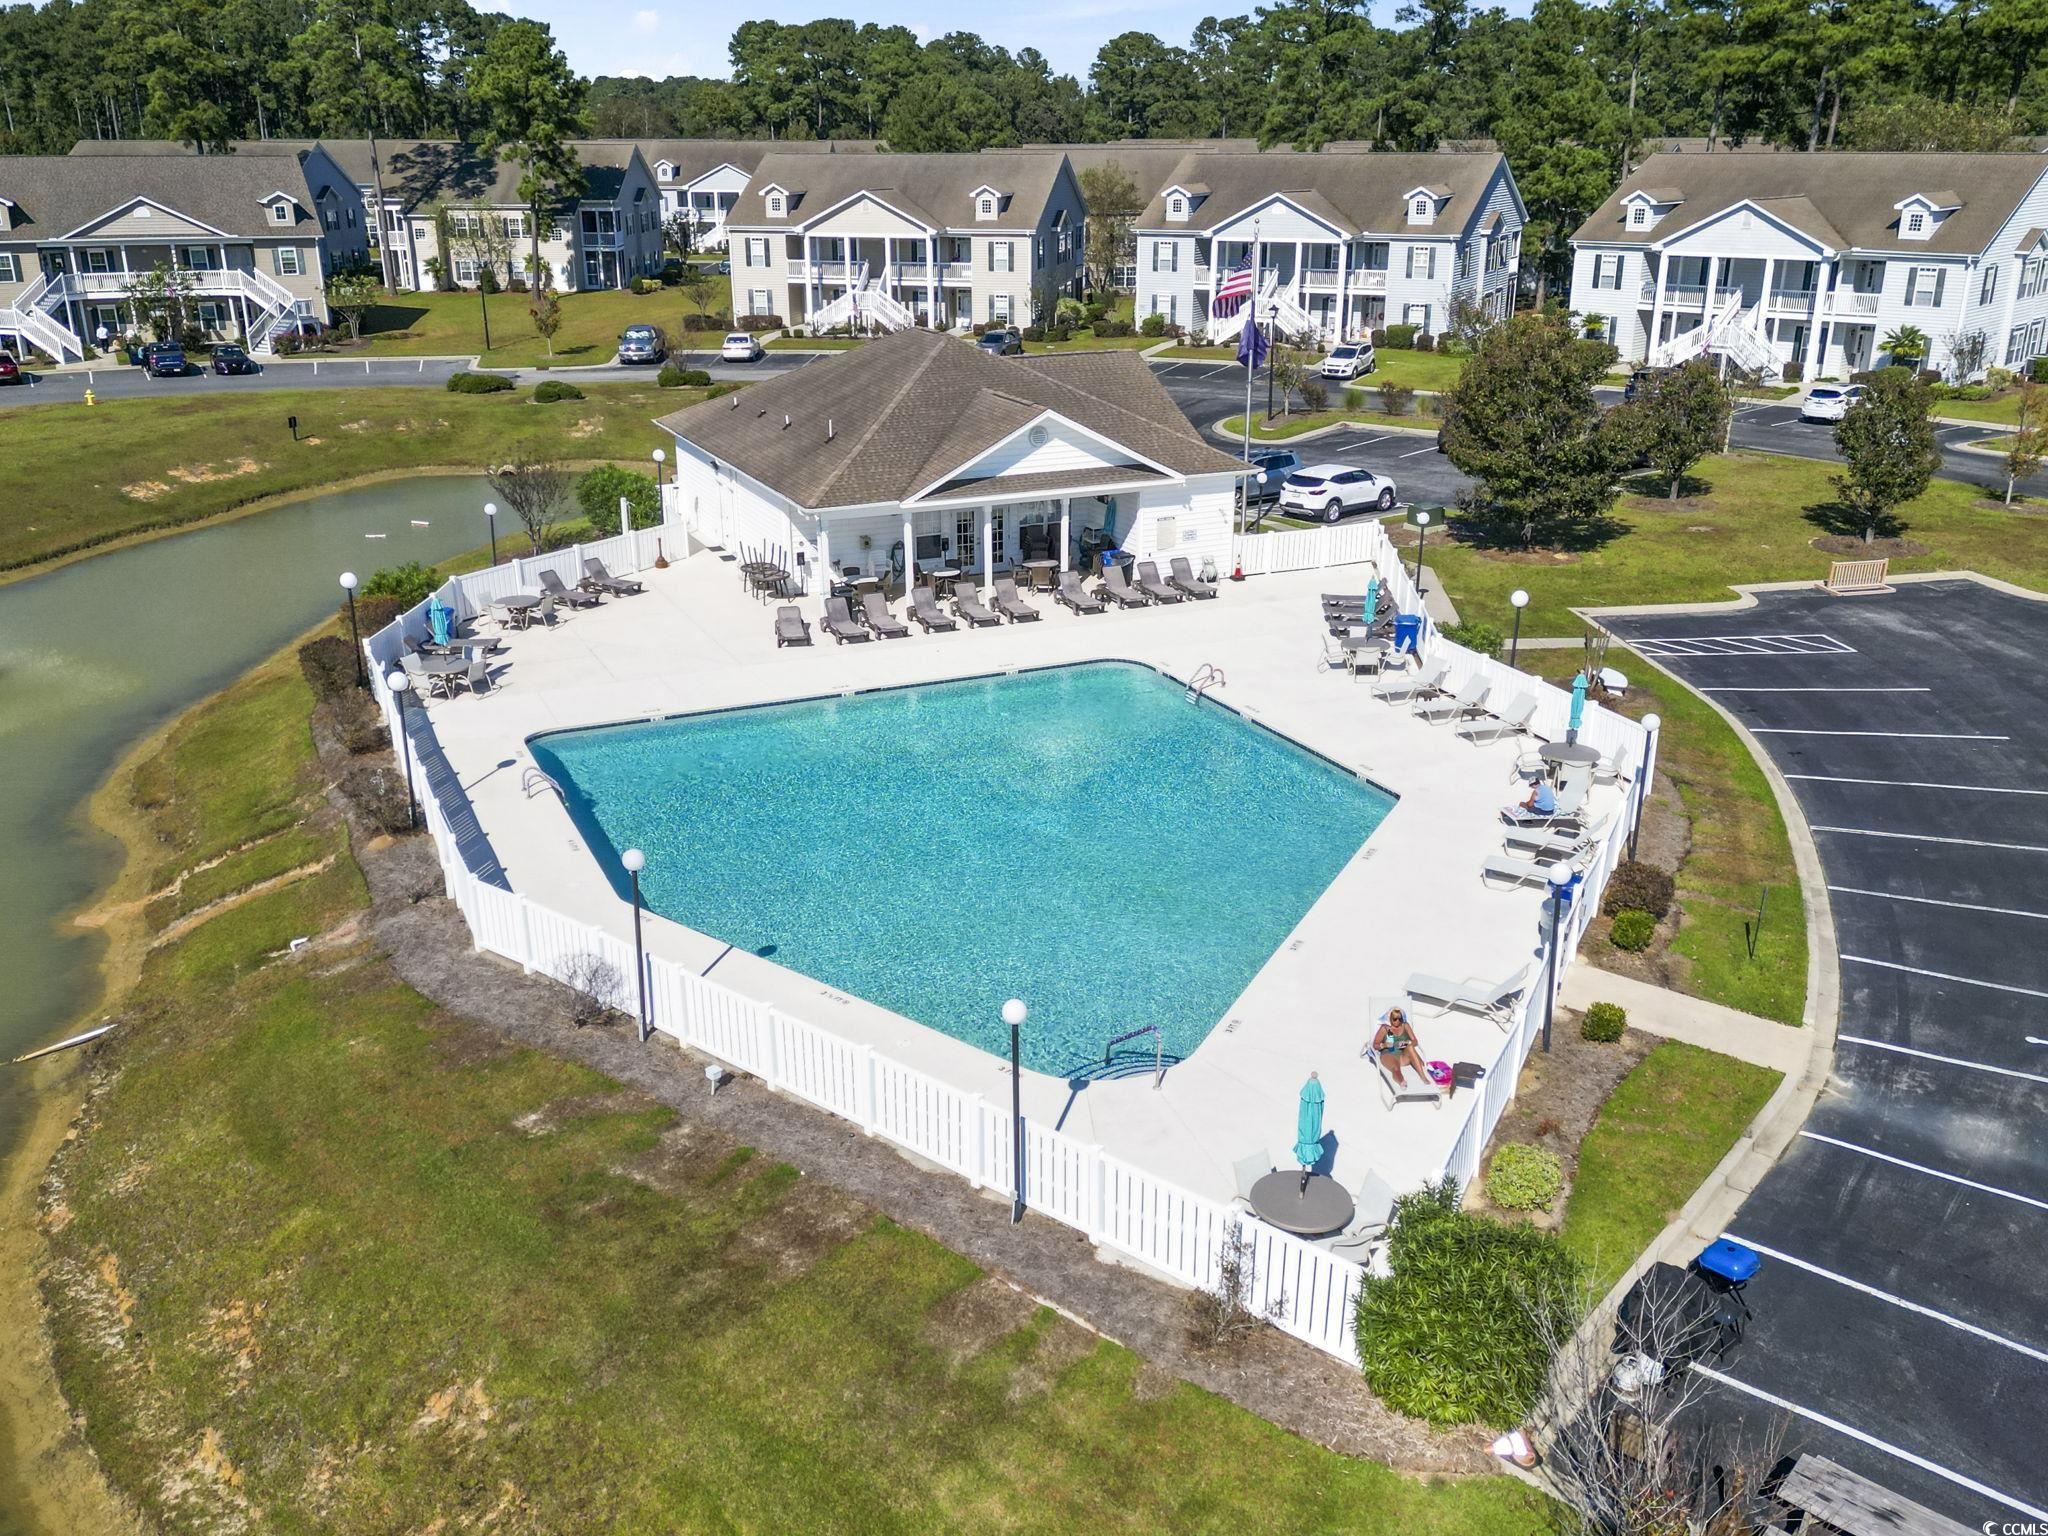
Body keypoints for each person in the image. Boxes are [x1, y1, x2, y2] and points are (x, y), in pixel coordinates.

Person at [1372, 1006, 1434, 1089]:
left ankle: (1423, 1076)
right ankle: (1401, 1082)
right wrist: (1384, 1045)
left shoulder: (1405, 1025)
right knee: (1396, 1068)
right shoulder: (1385, 1028)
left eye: (1400, 1019)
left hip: (1403, 1055)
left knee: (1410, 1047)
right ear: (1390, 1018)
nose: (1397, 1021)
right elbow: (1375, 1045)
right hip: (1388, 1054)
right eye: (1394, 1019)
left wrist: (1406, 1043)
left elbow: (1415, 1041)